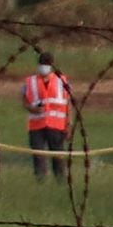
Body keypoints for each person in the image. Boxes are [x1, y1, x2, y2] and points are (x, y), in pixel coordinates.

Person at [20, 54, 72, 182]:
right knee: (38, 156)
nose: (44, 67)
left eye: (47, 64)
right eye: (42, 63)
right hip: (36, 126)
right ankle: (40, 181)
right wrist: (32, 109)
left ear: (52, 65)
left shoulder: (62, 81)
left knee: (58, 156)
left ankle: (60, 181)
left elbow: (68, 104)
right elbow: (25, 101)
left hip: (57, 125)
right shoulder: (30, 81)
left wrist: (68, 124)